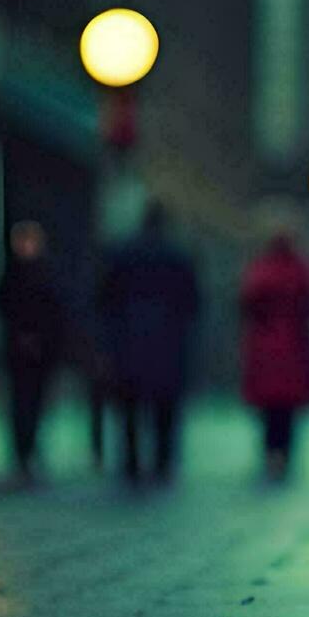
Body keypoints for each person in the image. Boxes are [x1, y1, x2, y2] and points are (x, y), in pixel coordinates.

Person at [99, 203, 200, 485]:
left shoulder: (124, 253)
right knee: (164, 408)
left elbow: (106, 299)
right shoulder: (177, 256)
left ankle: (131, 463)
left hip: (129, 341)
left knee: (129, 407)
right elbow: (192, 302)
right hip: (168, 342)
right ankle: (162, 462)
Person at [240, 234, 309, 478]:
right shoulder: (300, 271)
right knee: (287, 411)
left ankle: (271, 453)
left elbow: (246, 305)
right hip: (292, 349)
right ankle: (282, 455)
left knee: (270, 411)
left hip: (265, 350)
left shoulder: (260, 271)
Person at [0, 221, 64, 481]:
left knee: (34, 402)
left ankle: (29, 448)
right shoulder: (13, 273)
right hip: (20, 349)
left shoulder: (44, 272)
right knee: (20, 402)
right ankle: (21, 451)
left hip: (39, 350)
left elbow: (55, 312)